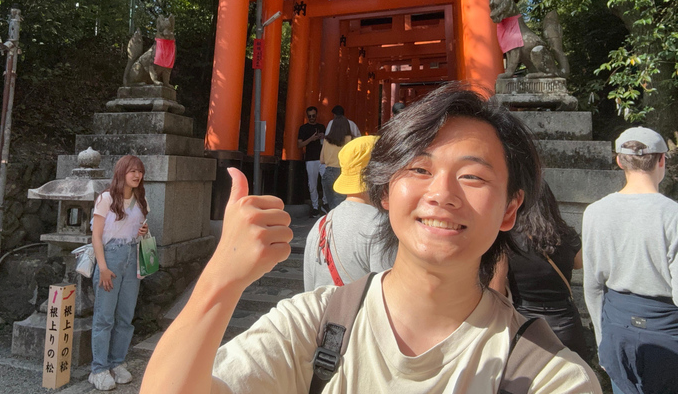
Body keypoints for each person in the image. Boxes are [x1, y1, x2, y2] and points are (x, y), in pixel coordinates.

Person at [141, 84, 601, 394]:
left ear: (510, 209)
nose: (441, 194)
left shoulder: (545, 374)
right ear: (383, 192)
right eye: (418, 169)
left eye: (473, 177)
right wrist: (223, 276)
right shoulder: (313, 325)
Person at [583, 126, 678, 394]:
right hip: (667, 330)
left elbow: (592, 286)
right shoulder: (673, 215)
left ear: (619, 161)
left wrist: (603, 341)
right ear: (662, 160)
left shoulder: (595, 212)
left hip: (617, 329)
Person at [491, 181, 589, 360]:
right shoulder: (566, 234)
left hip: (526, 324)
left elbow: (496, 288)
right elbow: (579, 263)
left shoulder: (508, 240)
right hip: (566, 324)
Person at [88, 155, 150, 391]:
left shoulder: (140, 200)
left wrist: (143, 231)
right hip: (110, 258)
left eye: (140, 172)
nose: (137, 175)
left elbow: (140, 231)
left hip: (132, 258)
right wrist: (102, 268)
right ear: (121, 172)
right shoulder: (106, 198)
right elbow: (96, 235)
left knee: (125, 317)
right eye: (132, 171)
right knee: (104, 317)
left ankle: (116, 362)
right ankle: (99, 369)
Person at [303, 135, 394, 291]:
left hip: (325, 314)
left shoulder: (321, 224)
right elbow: (386, 296)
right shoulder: (382, 226)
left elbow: (309, 289)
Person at [298, 106, 327, 218]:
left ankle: (325, 202)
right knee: (312, 184)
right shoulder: (303, 128)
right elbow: (299, 144)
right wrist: (311, 139)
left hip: (322, 158)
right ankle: (315, 206)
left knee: (325, 181)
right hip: (310, 159)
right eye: (309, 116)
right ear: (307, 116)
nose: (311, 118)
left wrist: (322, 137)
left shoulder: (321, 127)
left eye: (313, 116)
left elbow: (325, 142)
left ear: (316, 115)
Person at [320, 114, 352, 210]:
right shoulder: (350, 139)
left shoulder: (326, 139)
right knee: (341, 206)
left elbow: (322, 160)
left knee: (332, 207)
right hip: (343, 173)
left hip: (328, 173)